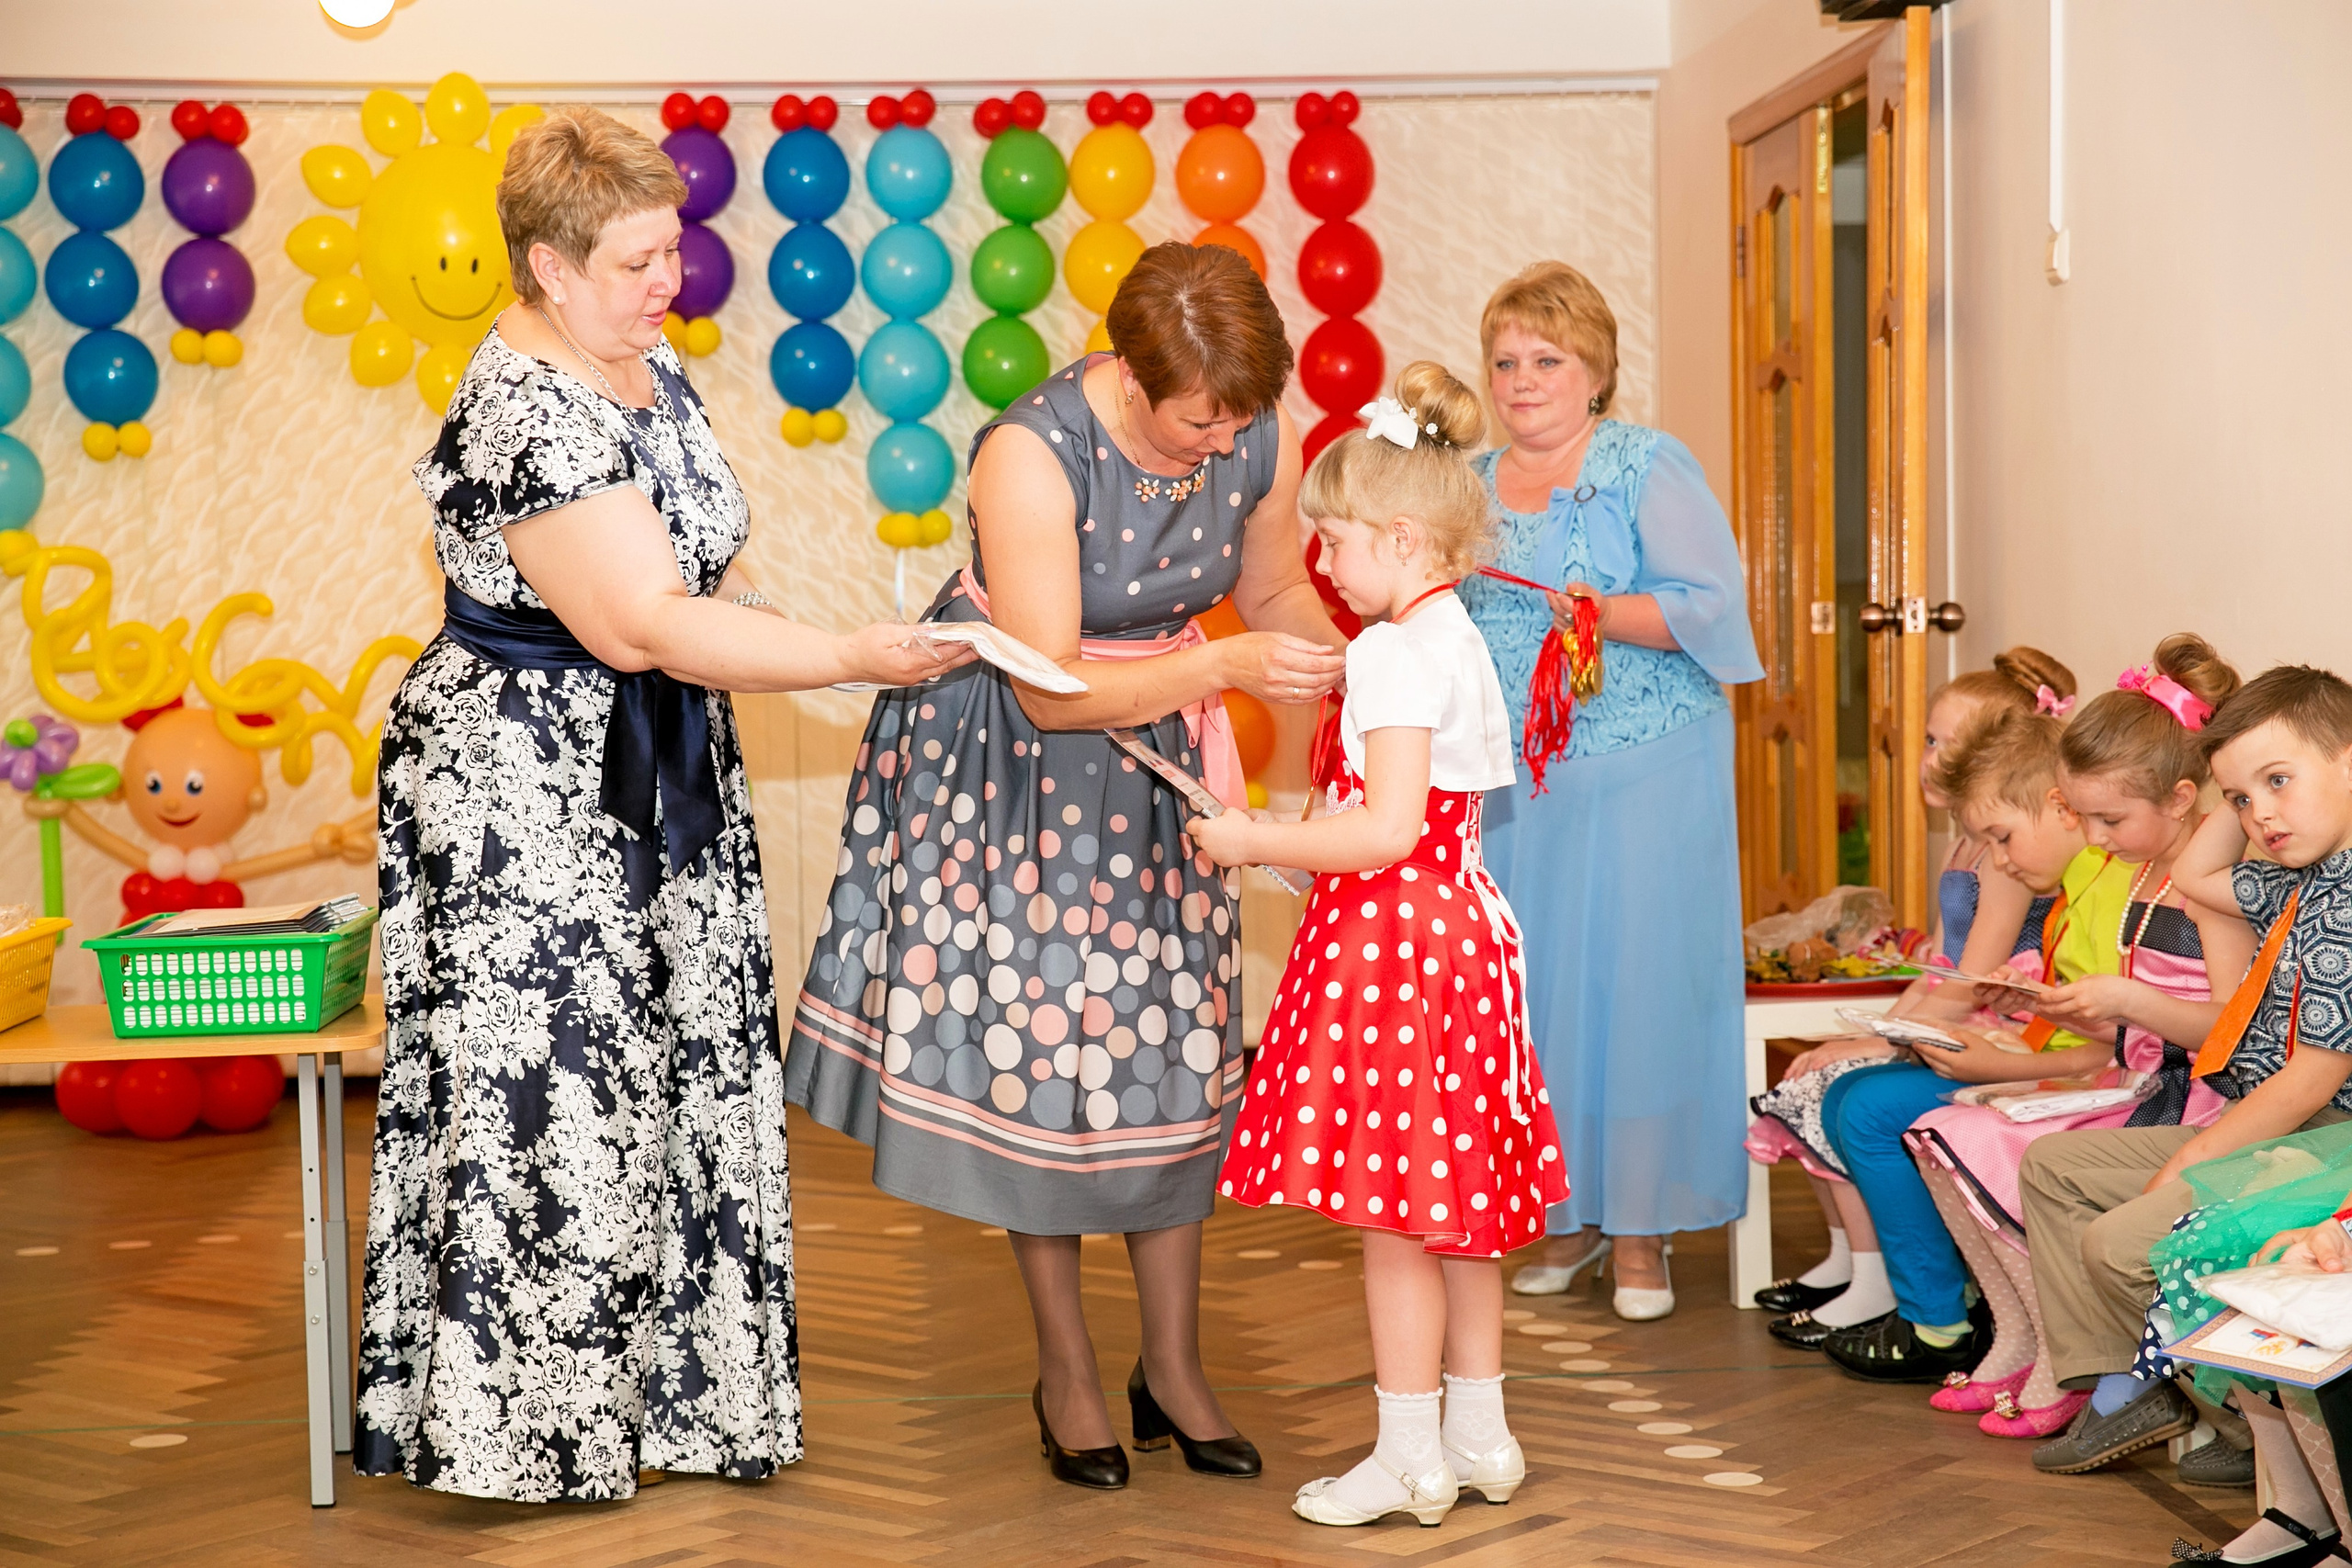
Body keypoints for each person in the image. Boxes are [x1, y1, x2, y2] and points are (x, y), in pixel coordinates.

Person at [355, 107, 968, 1503]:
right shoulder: (521, 407)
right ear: (547, 270)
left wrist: (769, 610)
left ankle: (672, 1398)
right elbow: (640, 622)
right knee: (559, 1093)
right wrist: (844, 656)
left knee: (672, 1067)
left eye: (671, 248)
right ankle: (537, 1427)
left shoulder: (644, 358)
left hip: (652, 771)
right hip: (528, 794)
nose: (665, 279)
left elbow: (701, 561)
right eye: (634, 261)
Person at [785, 243, 1347, 1491]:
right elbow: (1050, 689)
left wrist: (1370, 654)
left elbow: (1273, 590)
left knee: (1173, 1055)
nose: (1220, 447)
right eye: (1198, 423)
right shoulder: (1028, 453)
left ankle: (1177, 1365)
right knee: (1041, 1069)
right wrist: (1220, 671)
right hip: (1018, 765)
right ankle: (1069, 1371)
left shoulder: (1251, 429)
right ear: (1130, 377)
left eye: (1238, 423)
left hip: (1159, 764)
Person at [1194, 362, 1568, 1529]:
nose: (1324, 564)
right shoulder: (1451, 629)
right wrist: (1287, 844)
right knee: (1455, 1200)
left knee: (1393, 1214)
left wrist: (1249, 832)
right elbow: (1419, 821)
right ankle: (1480, 1431)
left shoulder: (1392, 652)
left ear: (1402, 539)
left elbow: (1387, 825)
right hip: (1452, 927)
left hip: (1393, 945)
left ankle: (1408, 1453)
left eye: (1337, 542)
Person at [1458, 261, 1763, 1320]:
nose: (1522, 380)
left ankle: (1641, 1234)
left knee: (1633, 994)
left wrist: (1591, 609)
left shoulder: (1645, 462)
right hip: (1518, 785)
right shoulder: (1469, 484)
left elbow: (1706, 605)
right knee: (1536, 1001)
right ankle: (1564, 1216)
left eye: (1546, 360)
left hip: (1648, 767)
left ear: (1594, 370)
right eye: (1505, 361)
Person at [1905, 638, 2251, 1434]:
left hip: (2191, 1100)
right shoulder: (2145, 875)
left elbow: (2226, 1032)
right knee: (1963, 1136)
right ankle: (2063, 1355)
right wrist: (2093, 1010)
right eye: (2086, 817)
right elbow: (2135, 1022)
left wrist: (2123, 1004)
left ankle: (2099, 1372)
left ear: (2180, 796)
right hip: (2146, 1083)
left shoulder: (2202, 883)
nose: (2094, 837)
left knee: (2022, 1155)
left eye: (2108, 818)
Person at [2020, 663, 2352, 1478]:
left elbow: (2312, 1078)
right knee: (2054, 1168)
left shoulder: (2344, 900)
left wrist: (2195, 1155)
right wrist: (2224, 771)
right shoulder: (2300, 881)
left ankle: (2250, 1425)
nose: (2258, 815)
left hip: (2327, 1135)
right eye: (2240, 800)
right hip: (2284, 1122)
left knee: (2123, 1243)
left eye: (2280, 781)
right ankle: (2134, 1388)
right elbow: (2197, 878)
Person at [1747, 650, 2072, 1348]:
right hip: (1968, 1017)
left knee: (1848, 1090)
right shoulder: (1973, 845)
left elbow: (1970, 982)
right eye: (1929, 739)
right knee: (1822, 1078)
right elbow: (1947, 972)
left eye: (1949, 743)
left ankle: (1901, 1289)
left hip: (1991, 1030)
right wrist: (1882, 1028)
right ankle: (1856, 1263)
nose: (1931, 757)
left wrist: (1880, 1040)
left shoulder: (2006, 858)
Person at [1804, 704, 2138, 1382]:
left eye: (2004, 837)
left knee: (1869, 1108)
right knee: (1851, 1096)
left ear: (2059, 807)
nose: (2001, 858)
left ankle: (1940, 1314)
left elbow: (2125, 1046)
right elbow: (2085, 1021)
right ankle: (1949, 1305)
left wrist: (2000, 1060)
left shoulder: (2103, 886)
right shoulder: (2074, 883)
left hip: (2085, 1083)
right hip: (2049, 1061)